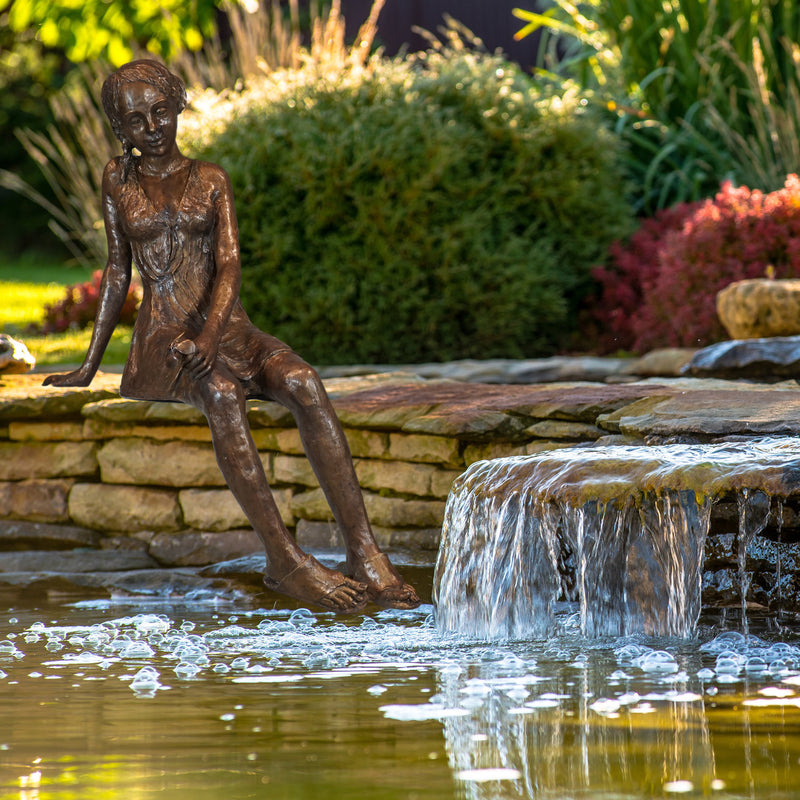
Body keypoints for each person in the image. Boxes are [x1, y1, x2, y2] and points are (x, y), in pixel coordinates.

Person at [44, 59, 420, 614]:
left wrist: (212, 336)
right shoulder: (117, 179)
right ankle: (283, 559)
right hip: (162, 336)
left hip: (227, 325)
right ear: (119, 128)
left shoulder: (211, 178)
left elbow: (229, 267)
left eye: (160, 111)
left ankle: (365, 554)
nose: (151, 127)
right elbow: (118, 270)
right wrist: (88, 363)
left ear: (179, 107)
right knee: (220, 393)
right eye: (135, 119)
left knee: (305, 382)